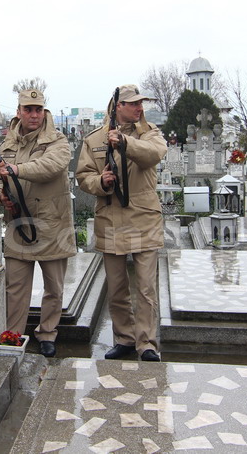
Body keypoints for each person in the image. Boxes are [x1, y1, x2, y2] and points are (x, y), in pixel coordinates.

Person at [76, 84, 166, 362]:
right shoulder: (94, 139)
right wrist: (100, 183)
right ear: (117, 107)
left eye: (141, 103)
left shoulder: (150, 133)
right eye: (132, 104)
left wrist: (126, 143)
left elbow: (153, 155)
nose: (139, 108)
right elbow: (83, 175)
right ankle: (124, 339)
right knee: (116, 287)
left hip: (143, 218)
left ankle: (147, 343)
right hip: (111, 218)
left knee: (146, 287)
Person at [0, 89, 76, 358]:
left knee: (54, 288)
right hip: (18, 224)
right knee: (15, 288)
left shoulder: (58, 141)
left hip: (53, 225)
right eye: (28, 109)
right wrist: (0, 194)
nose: (33, 115)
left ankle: (48, 333)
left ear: (44, 111)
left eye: (38, 109)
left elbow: (51, 166)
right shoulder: (6, 146)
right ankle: (14, 335)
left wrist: (16, 170)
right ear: (19, 112)